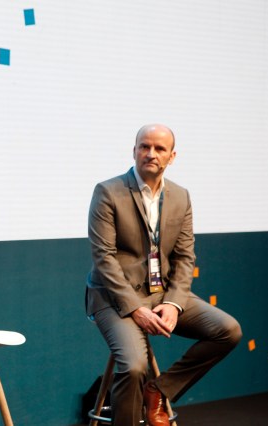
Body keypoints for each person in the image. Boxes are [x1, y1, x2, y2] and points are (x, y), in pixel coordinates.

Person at [85, 124, 242, 425]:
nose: (150, 154)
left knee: (228, 330)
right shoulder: (108, 192)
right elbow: (103, 259)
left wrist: (173, 303)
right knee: (132, 366)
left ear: (172, 156)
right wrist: (135, 308)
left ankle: (159, 390)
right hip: (113, 295)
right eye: (144, 147)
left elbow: (185, 257)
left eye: (159, 149)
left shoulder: (181, 196)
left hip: (162, 291)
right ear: (134, 151)